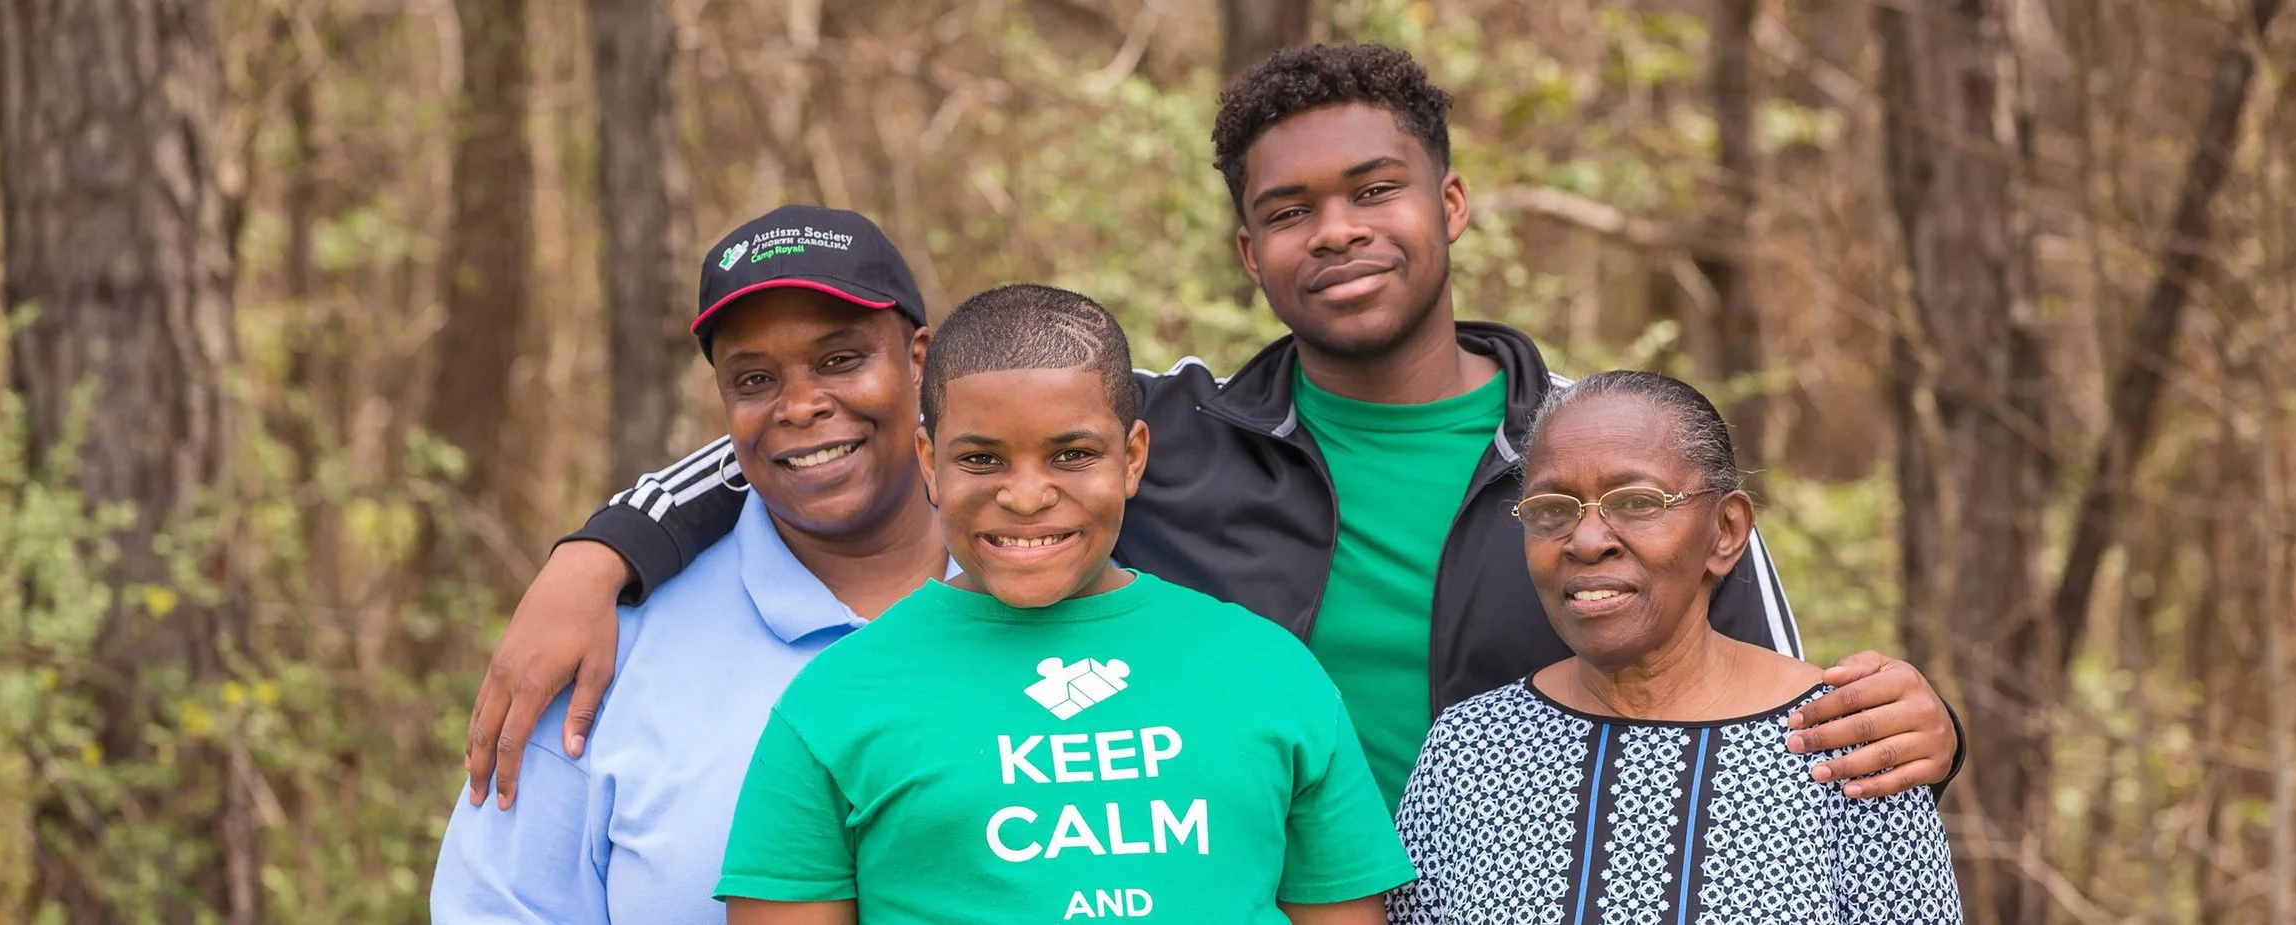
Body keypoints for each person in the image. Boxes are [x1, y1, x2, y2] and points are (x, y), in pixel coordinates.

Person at [461, 43, 1961, 816]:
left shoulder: (1590, 465)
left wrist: (1925, 737)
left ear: (1447, 206)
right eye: (1287, 211)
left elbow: (1778, 699)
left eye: (1376, 190)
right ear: (1248, 252)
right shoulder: (1161, 435)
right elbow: (872, 421)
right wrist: (602, 547)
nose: (1339, 234)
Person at [717, 284, 1414, 924]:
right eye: (982, 459)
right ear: (930, 462)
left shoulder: (1269, 670)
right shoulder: (837, 699)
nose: (1025, 496)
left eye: (1072, 454)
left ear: (1133, 457)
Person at [430, 205, 956, 923]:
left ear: (919, 361)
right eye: (753, 379)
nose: (799, 406)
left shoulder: (1048, 599)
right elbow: (497, 906)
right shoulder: (600, 652)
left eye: (840, 360)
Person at [1386, 371, 1962, 924]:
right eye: (1552, 510)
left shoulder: (1845, 742)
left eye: (1638, 502)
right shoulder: (1470, 752)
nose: (1586, 541)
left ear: (1726, 531)